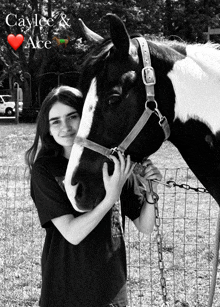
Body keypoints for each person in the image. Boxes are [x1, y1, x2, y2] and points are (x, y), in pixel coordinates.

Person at [25, 85, 162, 307]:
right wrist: (110, 198)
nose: (66, 127)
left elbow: (145, 226)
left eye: (72, 116)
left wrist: (151, 190)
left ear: (87, 117)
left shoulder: (113, 162)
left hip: (111, 290)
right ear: (47, 129)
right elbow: (72, 233)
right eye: (55, 121)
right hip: (65, 291)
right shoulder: (46, 169)